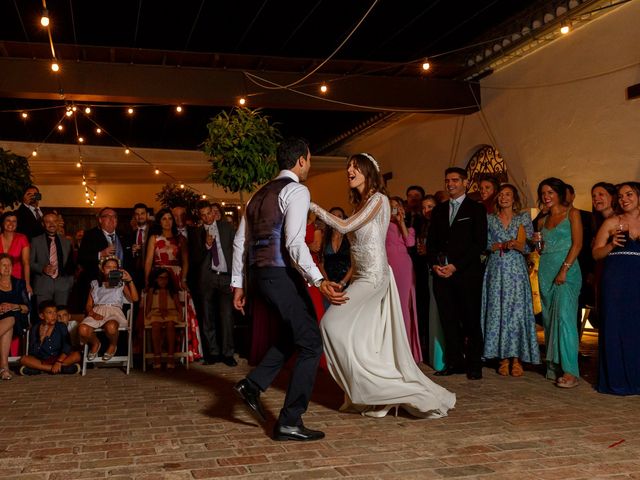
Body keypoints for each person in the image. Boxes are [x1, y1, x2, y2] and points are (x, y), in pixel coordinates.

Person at [311, 153, 456, 418]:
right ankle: (374, 392)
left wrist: (311, 206)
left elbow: (344, 226)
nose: (349, 171)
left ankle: (378, 389)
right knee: (362, 335)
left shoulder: (378, 200)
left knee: (330, 324)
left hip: (374, 277)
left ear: (368, 172)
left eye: (355, 167)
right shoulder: (362, 203)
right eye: (348, 167)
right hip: (361, 276)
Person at [232, 137, 345, 441]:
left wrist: (239, 285)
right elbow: (295, 244)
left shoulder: (257, 194)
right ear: (301, 161)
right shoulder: (297, 190)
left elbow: (240, 241)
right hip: (281, 274)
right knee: (310, 343)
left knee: (292, 334)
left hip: (260, 277)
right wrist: (319, 281)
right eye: (309, 159)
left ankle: (253, 384)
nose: (310, 164)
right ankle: (290, 421)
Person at [427, 167, 488, 379]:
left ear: (465, 182)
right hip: (441, 275)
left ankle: (474, 365)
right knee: (448, 320)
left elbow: (479, 244)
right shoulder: (438, 210)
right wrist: (435, 264)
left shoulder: (476, 209)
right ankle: (454, 362)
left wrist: (456, 266)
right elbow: (431, 243)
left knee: (471, 320)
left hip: (466, 275)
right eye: (447, 180)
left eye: (454, 180)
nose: (450, 184)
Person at [481, 184, 540, 376]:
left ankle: (517, 359)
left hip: (516, 270)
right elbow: (484, 243)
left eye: (508, 194)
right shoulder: (489, 219)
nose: (504, 198)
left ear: (514, 198)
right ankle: (502, 358)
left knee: (516, 312)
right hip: (496, 269)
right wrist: (497, 245)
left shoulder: (523, 218)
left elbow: (531, 246)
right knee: (497, 311)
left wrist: (518, 244)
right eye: (501, 195)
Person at [534, 177, 582, 388]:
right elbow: (541, 249)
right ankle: (554, 365)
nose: (546, 196)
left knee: (565, 320)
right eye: (544, 193)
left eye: (550, 192)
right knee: (549, 320)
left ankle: (571, 371)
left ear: (560, 194)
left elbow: (578, 244)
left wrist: (564, 269)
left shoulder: (573, 214)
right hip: (545, 271)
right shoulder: (542, 220)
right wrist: (538, 245)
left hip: (567, 271)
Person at [593, 182, 640, 395]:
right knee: (616, 326)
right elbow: (596, 253)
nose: (624, 199)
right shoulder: (613, 222)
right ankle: (616, 380)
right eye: (620, 196)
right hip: (616, 280)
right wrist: (611, 244)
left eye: (629, 194)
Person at [144, 208, 201, 362]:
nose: (168, 221)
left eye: (170, 218)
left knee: (182, 308)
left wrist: (183, 279)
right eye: (164, 218)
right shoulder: (154, 238)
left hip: (176, 276)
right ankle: (158, 351)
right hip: (158, 276)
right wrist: (147, 279)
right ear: (159, 221)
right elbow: (149, 260)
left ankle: (185, 350)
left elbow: (186, 261)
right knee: (156, 310)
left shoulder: (180, 238)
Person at [190, 201, 234, 366]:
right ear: (200, 217)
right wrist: (206, 245)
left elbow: (236, 252)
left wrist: (237, 278)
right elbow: (194, 258)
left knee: (226, 316)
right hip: (207, 278)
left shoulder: (226, 227)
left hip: (225, 277)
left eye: (209, 213)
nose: (207, 217)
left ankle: (228, 353)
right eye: (203, 214)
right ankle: (212, 353)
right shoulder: (196, 233)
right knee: (207, 316)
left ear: (213, 213)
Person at [78, 256, 138, 362]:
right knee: (82, 329)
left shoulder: (121, 284)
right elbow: (88, 305)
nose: (111, 269)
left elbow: (134, 299)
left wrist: (130, 280)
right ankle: (96, 343)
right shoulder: (95, 284)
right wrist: (92, 313)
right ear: (102, 268)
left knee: (111, 327)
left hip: (114, 312)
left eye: (114, 267)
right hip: (98, 311)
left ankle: (113, 345)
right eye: (108, 267)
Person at [386, 196, 421, 363]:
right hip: (387, 267)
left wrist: (401, 223)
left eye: (396, 206)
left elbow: (410, 243)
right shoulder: (383, 226)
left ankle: (405, 351)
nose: (394, 210)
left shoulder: (410, 228)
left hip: (404, 268)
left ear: (402, 209)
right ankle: (390, 350)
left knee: (403, 308)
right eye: (390, 207)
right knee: (389, 308)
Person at [19, 300, 81, 375]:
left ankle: (40, 369)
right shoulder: (35, 328)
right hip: (42, 360)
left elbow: (67, 346)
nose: (54, 315)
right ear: (41, 316)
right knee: (24, 359)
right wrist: (41, 339)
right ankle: (56, 369)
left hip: (59, 358)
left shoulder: (61, 326)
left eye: (55, 312)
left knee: (77, 355)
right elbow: (33, 352)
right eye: (49, 313)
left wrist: (59, 361)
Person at [589, 182, 617, 328]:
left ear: (612, 197)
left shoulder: (620, 220)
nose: (596, 198)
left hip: (616, 270)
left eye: (601, 194)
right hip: (602, 269)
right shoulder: (597, 222)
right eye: (594, 196)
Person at [30, 212, 74, 306]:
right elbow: (30, 263)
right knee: (43, 316)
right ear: (43, 224)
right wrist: (42, 268)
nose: (52, 224)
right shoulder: (35, 241)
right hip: (43, 285)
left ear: (58, 223)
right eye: (48, 221)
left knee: (61, 316)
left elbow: (71, 266)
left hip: (63, 286)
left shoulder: (67, 242)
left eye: (54, 221)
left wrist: (69, 284)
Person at [144, 268, 183, 370]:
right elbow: (148, 306)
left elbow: (178, 305)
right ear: (156, 279)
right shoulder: (152, 291)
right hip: (156, 313)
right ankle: (157, 356)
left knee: (170, 324)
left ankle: (171, 356)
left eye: (166, 278)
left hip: (171, 312)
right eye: (161, 278)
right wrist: (147, 314)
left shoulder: (172, 291)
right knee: (155, 325)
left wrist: (180, 314)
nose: (163, 280)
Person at [0, 253, 30, 380]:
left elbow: (27, 308)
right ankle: (4, 368)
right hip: (3, 323)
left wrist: (14, 306)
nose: (7, 268)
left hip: (17, 320)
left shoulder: (19, 284)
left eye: (9, 265)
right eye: (3, 265)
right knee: (7, 329)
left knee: (11, 318)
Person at [319, 207, 352, 309]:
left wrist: (343, 283)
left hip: (347, 283)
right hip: (329, 285)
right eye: (333, 216)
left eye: (339, 216)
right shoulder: (323, 238)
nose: (336, 218)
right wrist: (328, 282)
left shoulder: (350, 238)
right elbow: (321, 263)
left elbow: (354, 265)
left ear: (343, 219)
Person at [0, 211, 31, 294]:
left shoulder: (22, 238)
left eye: (14, 221)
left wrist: (27, 284)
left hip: (17, 276)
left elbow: (26, 263)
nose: (11, 223)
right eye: (8, 220)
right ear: (3, 223)